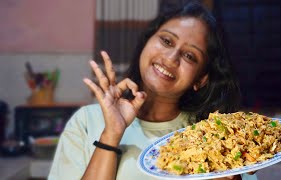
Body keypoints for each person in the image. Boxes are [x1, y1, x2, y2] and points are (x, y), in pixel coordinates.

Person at [48, 1, 257, 180]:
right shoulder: (86, 122)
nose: (171, 58)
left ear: (201, 79)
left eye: (189, 56)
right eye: (166, 41)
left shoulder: (221, 137)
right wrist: (111, 134)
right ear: (147, 41)